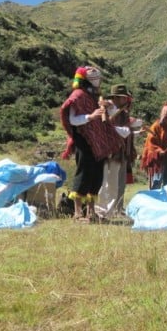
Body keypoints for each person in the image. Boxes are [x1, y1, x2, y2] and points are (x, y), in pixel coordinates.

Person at [60, 66, 124, 222]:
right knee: (84, 174)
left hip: (97, 142)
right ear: (91, 80)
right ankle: (77, 212)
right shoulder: (79, 95)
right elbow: (73, 119)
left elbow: (110, 114)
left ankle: (91, 212)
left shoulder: (96, 96)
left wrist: (110, 107)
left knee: (96, 177)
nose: (100, 82)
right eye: (97, 79)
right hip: (84, 140)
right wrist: (91, 116)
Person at [96, 84, 138, 219]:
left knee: (113, 183)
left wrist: (110, 128)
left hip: (117, 153)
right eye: (123, 98)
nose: (125, 100)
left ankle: (109, 211)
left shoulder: (124, 114)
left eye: (126, 98)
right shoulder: (104, 109)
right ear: (116, 98)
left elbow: (126, 132)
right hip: (103, 151)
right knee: (102, 182)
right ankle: (99, 210)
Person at [140, 102, 167, 190]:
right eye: (165, 117)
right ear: (161, 115)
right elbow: (151, 144)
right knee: (156, 185)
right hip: (157, 161)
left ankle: (166, 203)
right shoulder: (155, 127)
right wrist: (160, 151)